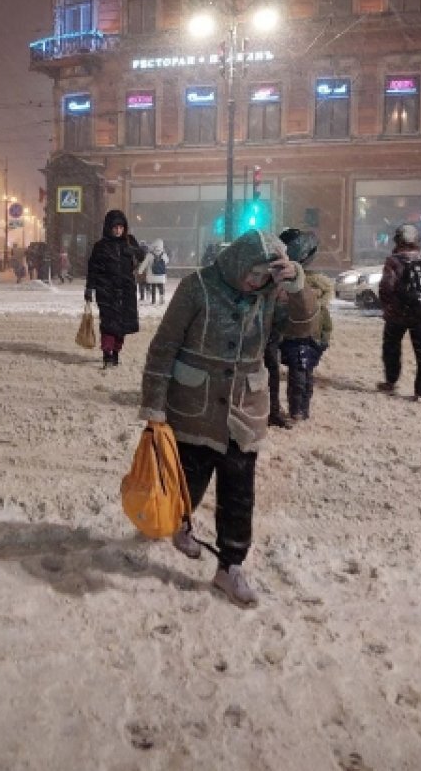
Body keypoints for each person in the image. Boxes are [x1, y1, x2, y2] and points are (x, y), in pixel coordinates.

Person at [139, 229, 317, 606]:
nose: (257, 282)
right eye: (254, 273)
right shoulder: (197, 286)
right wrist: (153, 403)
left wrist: (298, 287)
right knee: (188, 478)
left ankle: (230, 565)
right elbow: (164, 346)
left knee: (239, 491)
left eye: (265, 276)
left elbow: (305, 328)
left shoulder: (272, 294)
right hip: (195, 405)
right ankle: (180, 522)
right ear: (239, 262)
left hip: (244, 408)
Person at [377, 223, 421, 399]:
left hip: (399, 313)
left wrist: (389, 307)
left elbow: (387, 287)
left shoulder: (394, 261)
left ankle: (391, 381)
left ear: (398, 240)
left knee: (391, 347)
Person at [275, 230, 333, 422]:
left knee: (302, 374)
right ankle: (299, 409)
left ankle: (299, 409)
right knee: (302, 374)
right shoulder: (313, 285)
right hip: (302, 335)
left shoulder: (302, 284)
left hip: (300, 335)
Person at [85, 210, 140, 368]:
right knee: (109, 324)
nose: (118, 230)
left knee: (122, 324)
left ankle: (116, 351)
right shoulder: (100, 247)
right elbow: (93, 269)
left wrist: (135, 250)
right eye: (115, 227)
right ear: (108, 228)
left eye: (121, 227)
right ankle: (107, 353)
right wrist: (89, 288)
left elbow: (142, 257)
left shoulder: (129, 242)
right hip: (106, 291)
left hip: (126, 291)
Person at [136, 239, 169, 304]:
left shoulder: (150, 255)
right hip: (161, 275)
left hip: (152, 275)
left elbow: (144, 264)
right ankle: (161, 299)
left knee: (153, 287)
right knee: (161, 286)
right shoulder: (164, 254)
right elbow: (167, 261)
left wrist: (140, 271)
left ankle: (153, 300)